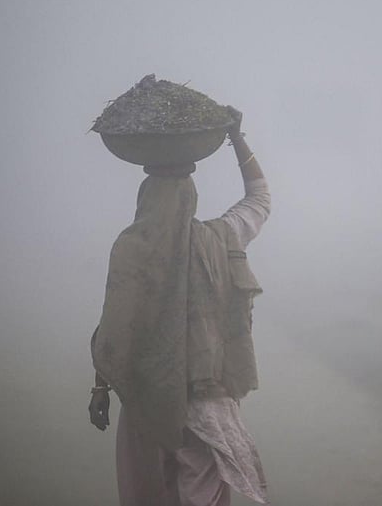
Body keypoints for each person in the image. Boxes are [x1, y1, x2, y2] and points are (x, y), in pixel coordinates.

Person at [89, 109, 270, 506]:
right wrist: (237, 138)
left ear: (144, 200)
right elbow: (260, 198)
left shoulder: (131, 249)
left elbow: (114, 328)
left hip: (147, 402)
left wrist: (100, 388)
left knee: (151, 493)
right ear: (191, 199)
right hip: (207, 405)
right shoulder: (222, 237)